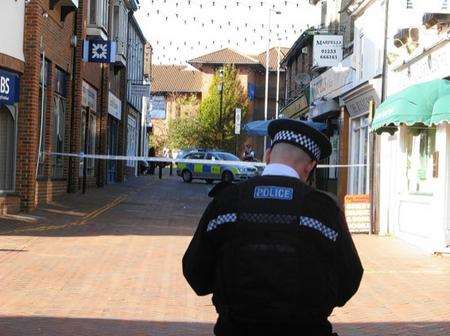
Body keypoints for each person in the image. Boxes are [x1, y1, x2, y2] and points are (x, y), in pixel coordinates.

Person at [182, 119, 363, 336]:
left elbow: (196, 273)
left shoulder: (227, 201)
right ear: (311, 166)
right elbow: (350, 276)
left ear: (268, 155)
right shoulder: (323, 210)